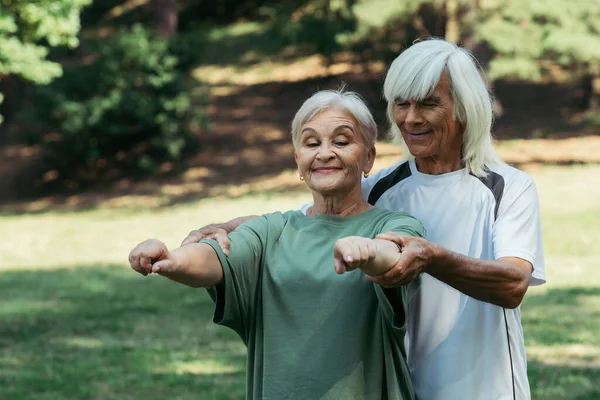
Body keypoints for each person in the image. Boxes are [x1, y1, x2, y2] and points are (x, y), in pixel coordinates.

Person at [182, 38, 546, 400]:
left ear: (464, 108)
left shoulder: (507, 188)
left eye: (429, 103)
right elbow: (305, 220)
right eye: (401, 104)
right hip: (398, 388)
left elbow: (512, 285)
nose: (411, 118)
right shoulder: (381, 187)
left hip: (482, 390)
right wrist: (229, 228)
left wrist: (432, 257)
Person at [129, 89, 426, 400]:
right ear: (298, 160)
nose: (324, 153)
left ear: (368, 157)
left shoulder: (394, 224)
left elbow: (396, 255)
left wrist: (367, 252)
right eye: (312, 143)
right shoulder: (271, 231)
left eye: (341, 141)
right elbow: (214, 258)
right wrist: (170, 259)